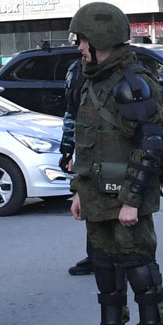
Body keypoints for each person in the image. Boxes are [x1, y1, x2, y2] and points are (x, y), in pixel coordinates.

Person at [66, 2, 163, 325]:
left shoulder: (133, 83)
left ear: (100, 40)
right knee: (106, 278)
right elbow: (86, 146)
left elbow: (149, 148)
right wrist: (78, 192)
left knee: (141, 277)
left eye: (82, 40)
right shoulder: (91, 80)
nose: (78, 47)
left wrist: (131, 200)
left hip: (127, 200)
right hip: (96, 198)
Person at [60, 53, 96, 277]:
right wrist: (67, 148)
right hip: (86, 144)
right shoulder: (77, 70)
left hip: (111, 146)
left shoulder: (123, 69)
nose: (80, 47)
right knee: (89, 197)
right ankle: (95, 256)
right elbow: (71, 110)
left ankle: (118, 258)